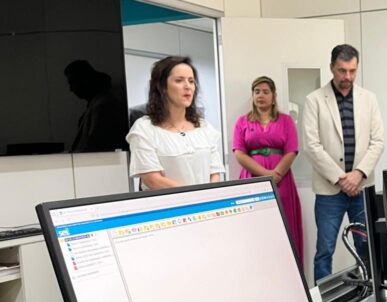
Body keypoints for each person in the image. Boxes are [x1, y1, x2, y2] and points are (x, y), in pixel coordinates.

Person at [303, 44, 384, 283]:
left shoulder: (369, 99)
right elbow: (311, 145)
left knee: (366, 246)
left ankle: (371, 291)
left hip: (361, 188)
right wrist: (341, 178)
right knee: (325, 250)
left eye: (352, 71)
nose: (347, 77)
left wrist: (358, 174)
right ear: (331, 68)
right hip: (330, 191)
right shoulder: (314, 100)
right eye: (342, 71)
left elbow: (378, 142)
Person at [233, 76, 304, 268]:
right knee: (255, 231)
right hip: (252, 182)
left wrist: (276, 174)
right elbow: (239, 153)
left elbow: (292, 150)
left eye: (265, 92)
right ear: (252, 95)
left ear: (274, 96)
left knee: (283, 228)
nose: (261, 96)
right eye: (257, 92)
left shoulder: (286, 121)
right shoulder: (242, 122)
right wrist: (265, 174)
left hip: (282, 182)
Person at [127, 56, 224, 190]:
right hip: (168, 208)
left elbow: (215, 174)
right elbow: (153, 180)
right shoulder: (144, 129)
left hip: (205, 206)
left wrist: (206, 199)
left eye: (191, 81)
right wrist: (195, 196)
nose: (188, 86)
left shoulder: (205, 127)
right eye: (179, 80)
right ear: (162, 87)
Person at [64, 60, 129, 153]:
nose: (71, 89)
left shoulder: (103, 106)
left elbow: (95, 146)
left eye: (72, 82)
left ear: (85, 80)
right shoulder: (98, 104)